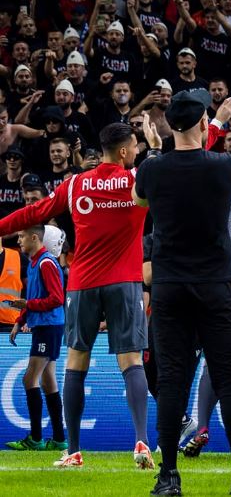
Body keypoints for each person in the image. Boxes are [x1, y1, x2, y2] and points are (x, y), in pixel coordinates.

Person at [0, 122, 152, 470]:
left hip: (83, 283)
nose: (137, 151)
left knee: (75, 362)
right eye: (135, 146)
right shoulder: (137, 180)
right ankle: (141, 440)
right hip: (125, 282)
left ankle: (73, 451)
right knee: (131, 361)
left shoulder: (74, 184)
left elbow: (34, 213)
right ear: (124, 151)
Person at [135, 90, 231, 497]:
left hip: (169, 286)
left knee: (172, 381)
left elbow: (138, 199)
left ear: (169, 127)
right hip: (216, 286)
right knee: (227, 379)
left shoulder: (153, 168)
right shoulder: (223, 165)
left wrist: (153, 151)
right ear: (205, 125)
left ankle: (168, 477)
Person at [4, 225, 66, 452]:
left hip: (49, 326)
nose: (18, 240)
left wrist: (27, 306)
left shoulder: (45, 263)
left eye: (21, 236)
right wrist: (20, 319)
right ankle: (58, 439)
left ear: (34, 238)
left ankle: (36, 438)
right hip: (45, 325)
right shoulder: (35, 262)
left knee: (29, 379)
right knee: (48, 382)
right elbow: (34, 297)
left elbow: (57, 299)